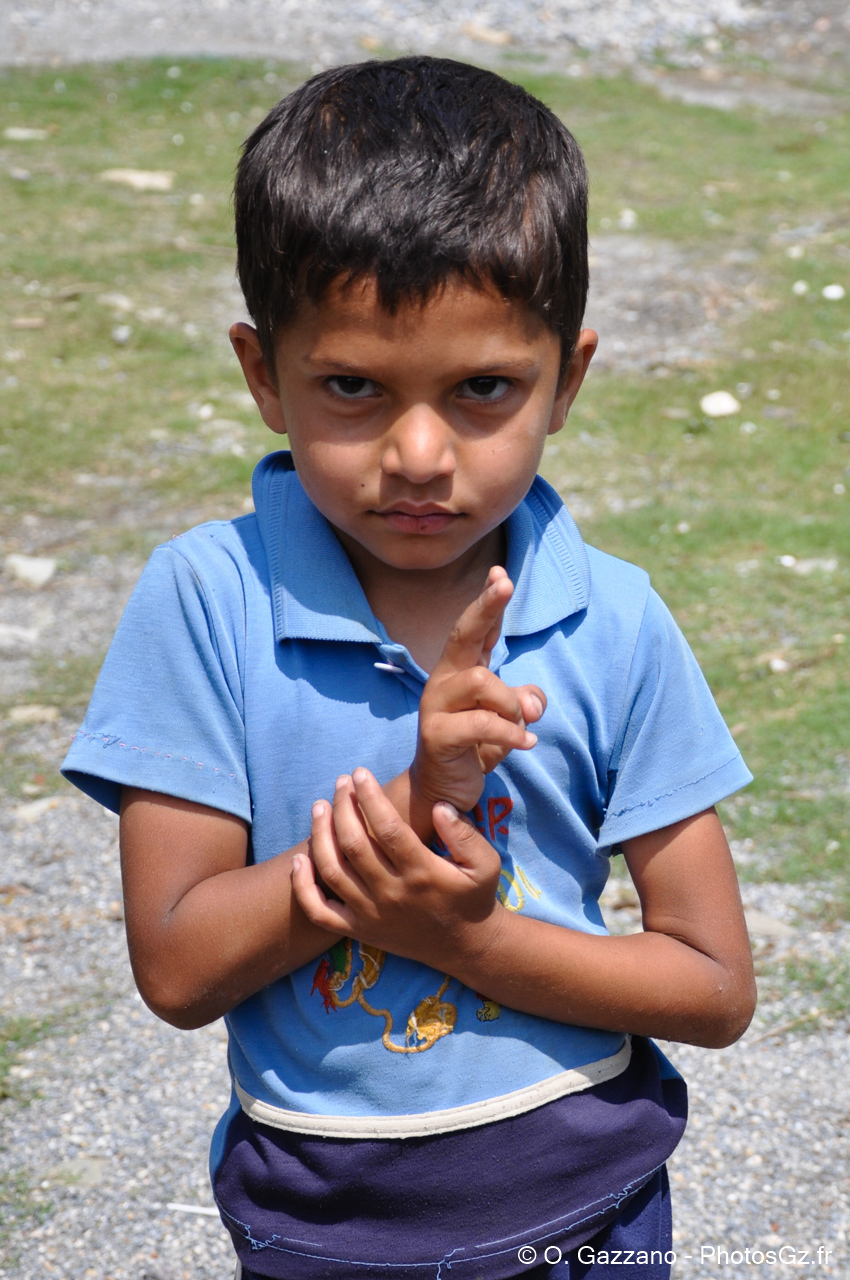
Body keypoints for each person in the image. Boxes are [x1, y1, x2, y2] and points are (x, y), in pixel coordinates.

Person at [62, 56, 756, 1280]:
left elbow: (709, 985)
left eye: (484, 388)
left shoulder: (618, 619)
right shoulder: (209, 601)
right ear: (263, 373)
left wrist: (473, 941)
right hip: (318, 1224)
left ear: (568, 379)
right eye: (351, 388)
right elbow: (177, 964)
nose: (420, 453)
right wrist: (414, 804)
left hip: (594, 1209)